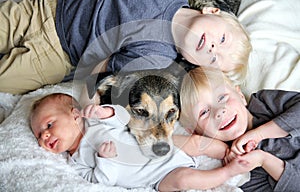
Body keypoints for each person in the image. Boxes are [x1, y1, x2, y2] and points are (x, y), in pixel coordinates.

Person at [0, 0, 251, 95]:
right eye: (222, 39)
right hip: (50, 8)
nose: (213, 48)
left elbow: (104, 64)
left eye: (213, 59)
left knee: (5, 81)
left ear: (193, 63)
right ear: (212, 10)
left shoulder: (158, 59)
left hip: (57, 56)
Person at [30, 93, 249, 191]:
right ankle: (226, 174)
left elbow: (124, 119)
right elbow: (98, 181)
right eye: (39, 135)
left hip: (157, 147)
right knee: (184, 180)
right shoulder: (75, 161)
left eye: (48, 126)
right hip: (157, 178)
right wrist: (104, 160)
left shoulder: (96, 123)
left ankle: (226, 151)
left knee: (191, 142)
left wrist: (105, 111)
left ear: (75, 115)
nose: (44, 136)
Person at [179, 66, 300, 192]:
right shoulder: (239, 166)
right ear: (196, 131)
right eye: (204, 112)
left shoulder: (263, 104)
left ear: (240, 95)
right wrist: (263, 160)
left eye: (221, 98)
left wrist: (259, 134)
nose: (219, 111)